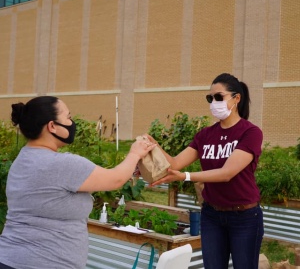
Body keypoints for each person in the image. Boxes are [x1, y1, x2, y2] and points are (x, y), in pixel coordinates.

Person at [0, 96, 156, 269]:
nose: (72, 123)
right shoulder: (62, 164)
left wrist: (131, 167)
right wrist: (135, 154)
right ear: (52, 126)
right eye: (68, 117)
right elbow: (115, 179)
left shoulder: (23, 159)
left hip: (10, 259)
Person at [148, 73, 264, 269]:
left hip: (244, 217)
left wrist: (185, 176)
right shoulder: (205, 135)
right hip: (212, 216)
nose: (213, 102)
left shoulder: (250, 132)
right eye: (210, 98)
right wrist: (154, 147)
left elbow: (227, 173)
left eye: (219, 97)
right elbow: (175, 163)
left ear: (237, 98)